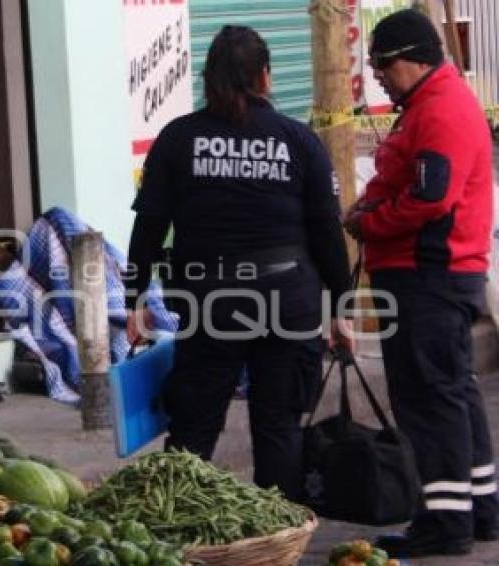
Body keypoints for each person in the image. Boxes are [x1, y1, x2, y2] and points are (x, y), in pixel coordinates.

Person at [125, 25, 352, 502]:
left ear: (209, 80)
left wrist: (133, 298)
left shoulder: (178, 138)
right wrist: (341, 308)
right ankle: (276, 539)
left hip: (211, 305)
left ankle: (178, 531)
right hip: (287, 303)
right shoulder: (299, 141)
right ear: (266, 76)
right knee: (278, 426)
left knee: (194, 425)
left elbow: (148, 227)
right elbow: (327, 233)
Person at [344, 8, 498, 558]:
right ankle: (477, 509)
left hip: (427, 276)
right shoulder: (431, 105)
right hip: (432, 274)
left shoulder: (440, 111)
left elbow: (432, 198)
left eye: (383, 65)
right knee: (452, 393)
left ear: (412, 58)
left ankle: (445, 521)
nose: (379, 76)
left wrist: (369, 222)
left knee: (429, 397)